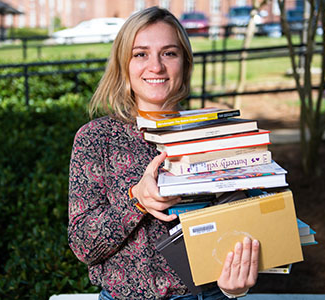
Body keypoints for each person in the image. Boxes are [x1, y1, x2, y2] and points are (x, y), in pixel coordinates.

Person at [68, 6, 260, 300]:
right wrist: (137, 200)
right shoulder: (96, 138)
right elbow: (84, 246)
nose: (156, 66)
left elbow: (242, 226)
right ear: (123, 64)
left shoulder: (214, 135)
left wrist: (235, 286)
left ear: (184, 62)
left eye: (169, 53)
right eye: (140, 54)